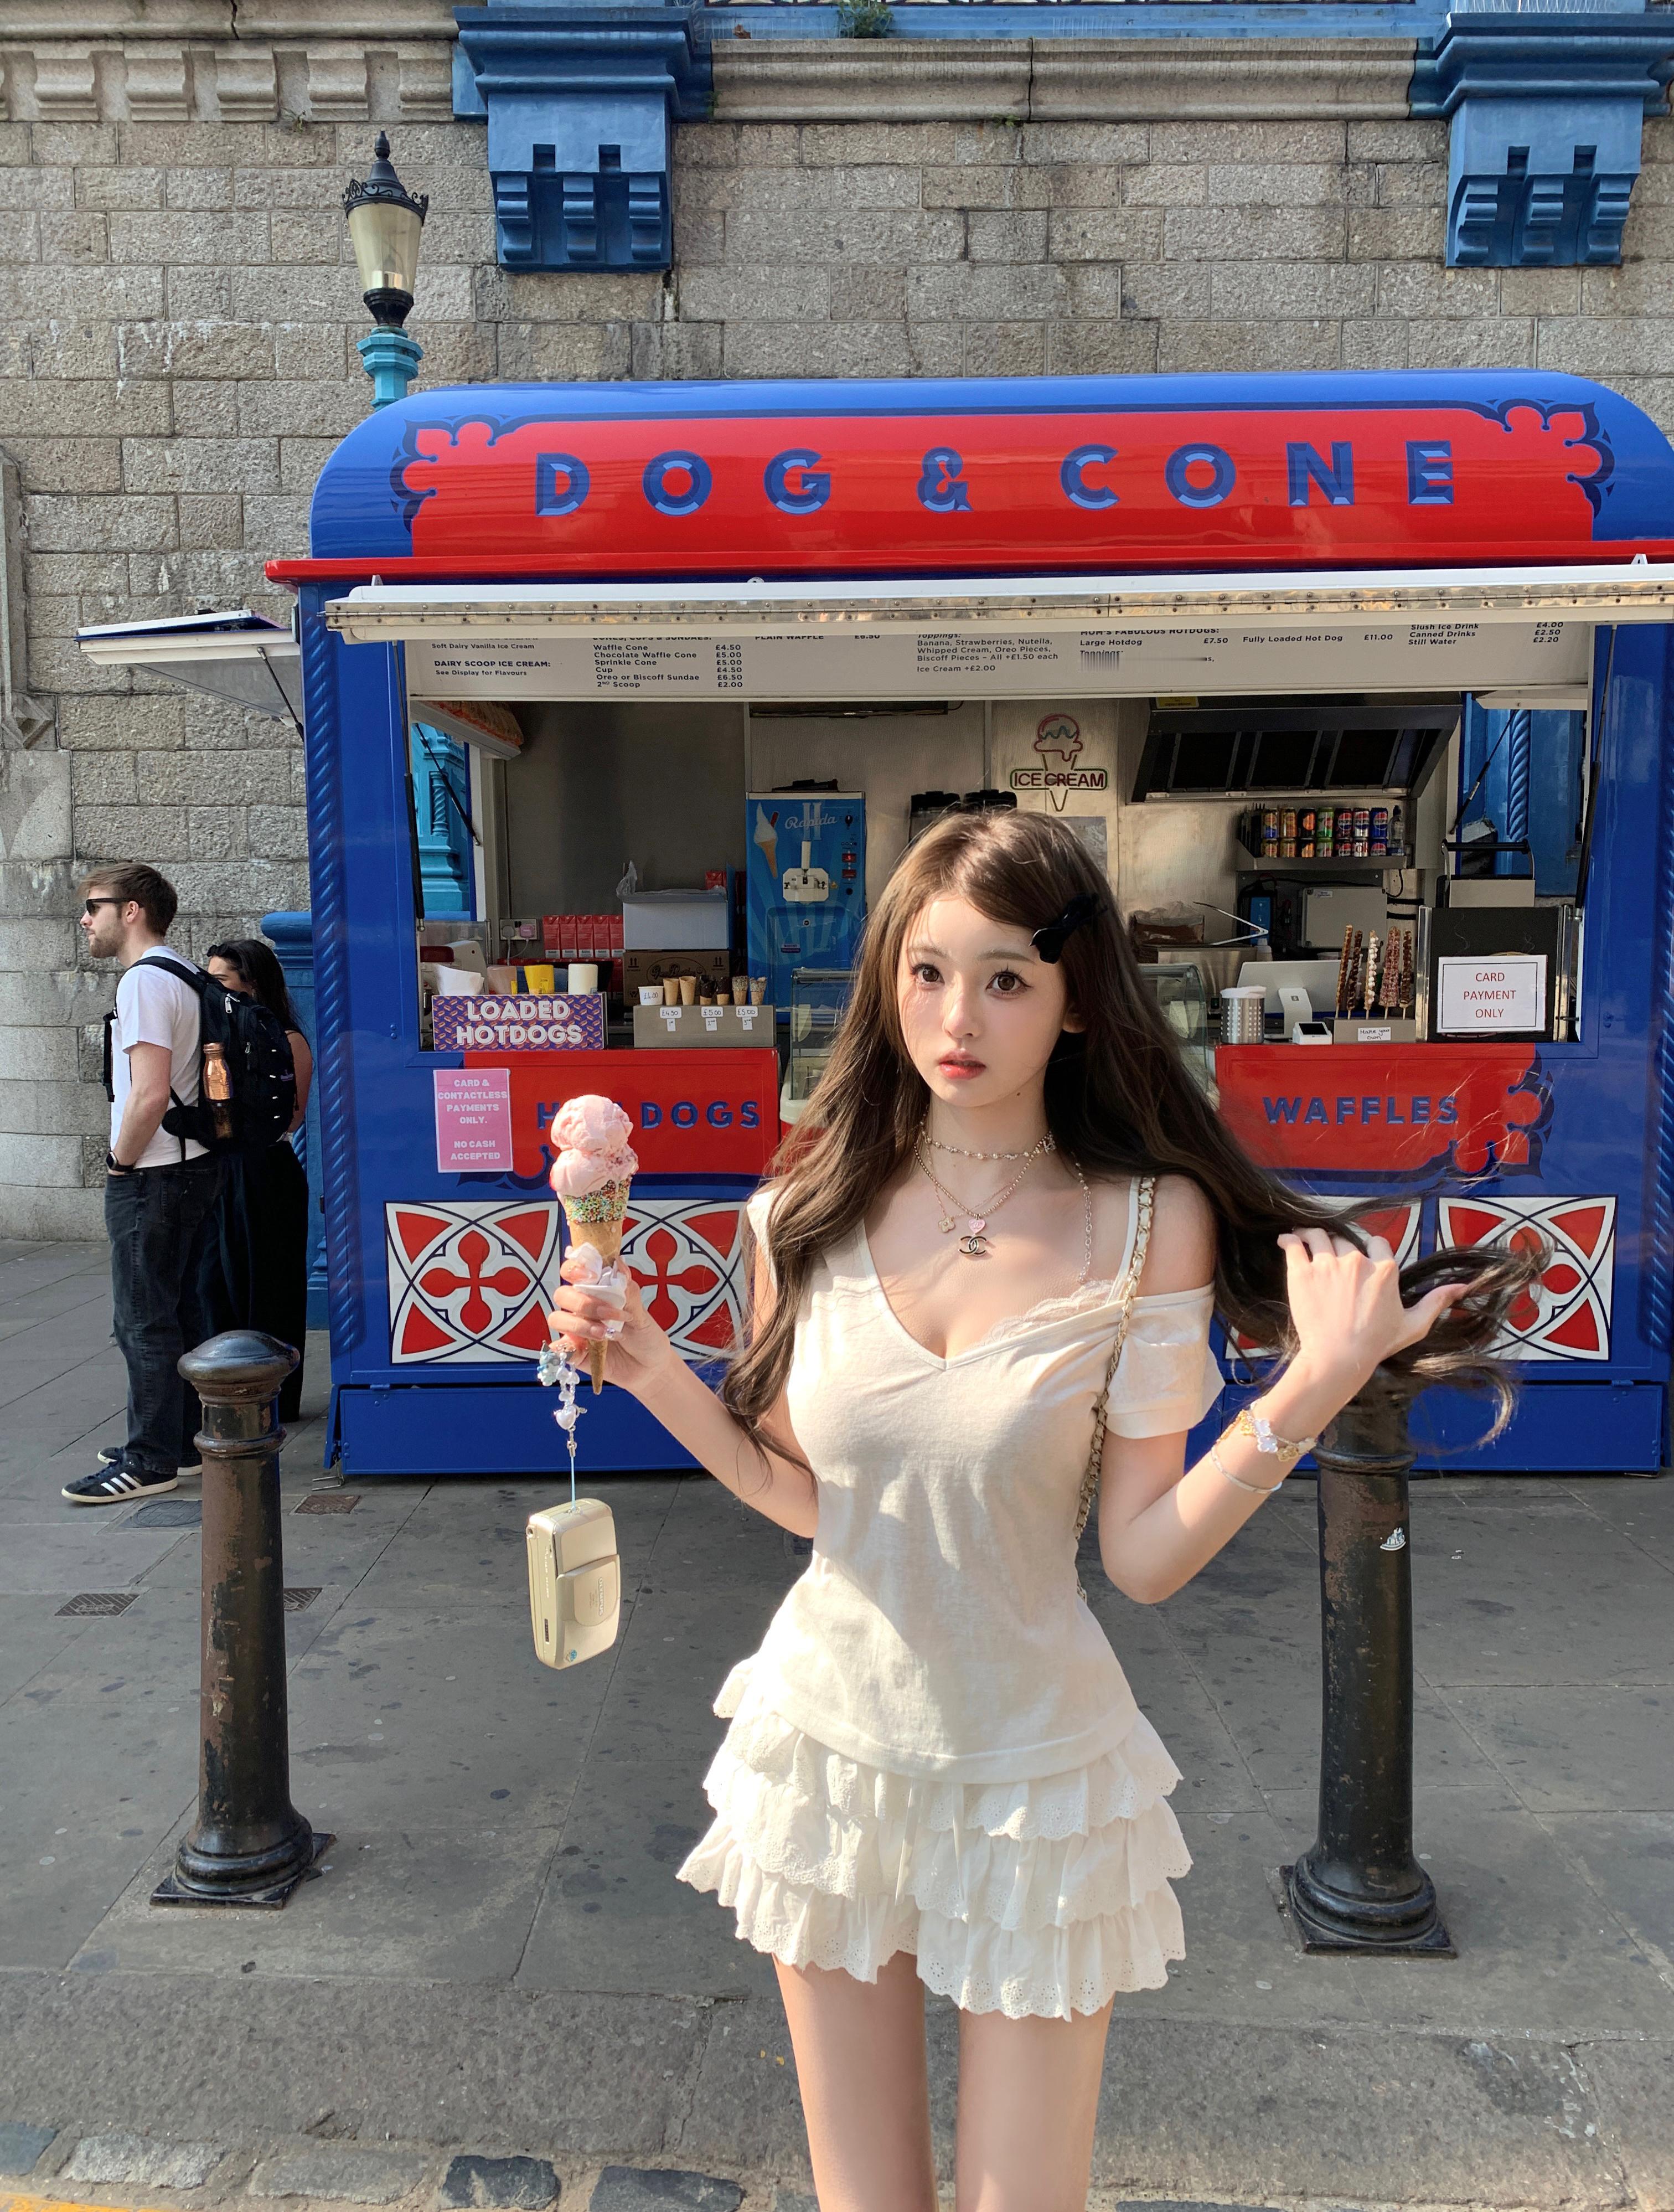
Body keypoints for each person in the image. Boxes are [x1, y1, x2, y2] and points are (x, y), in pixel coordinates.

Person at [551, 809, 1528, 2212]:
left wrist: (1313, 1383)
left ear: (1076, 1002)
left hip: (1038, 1774)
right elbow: (811, 1502)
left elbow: (1143, 1557)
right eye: (930, 971)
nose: (959, 1017)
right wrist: (651, 1366)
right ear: (888, 979)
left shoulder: (1148, 1221)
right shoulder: (798, 1213)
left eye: (1006, 977)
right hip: (830, 1746)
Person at [66, 864, 224, 1505]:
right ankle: (180, 1441)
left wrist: (119, 1163)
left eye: (93, 907)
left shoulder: (143, 981)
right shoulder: (183, 971)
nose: (85, 920)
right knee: (179, 1307)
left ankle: (151, 1458)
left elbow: (149, 1093)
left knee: (142, 1317)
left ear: (131, 910)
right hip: (190, 1166)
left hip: (155, 1173)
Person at [197, 938, 313, 1424]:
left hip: (265, 1169)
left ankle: (273, 1396)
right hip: (219, 1168)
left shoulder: (287, 1039)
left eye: (221, 981)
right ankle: (220, 1392)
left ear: (253, 984)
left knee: (268, 1285)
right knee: (212, 1284)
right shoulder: (209, 1036)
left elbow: (291, 1117)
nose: (212, 991)